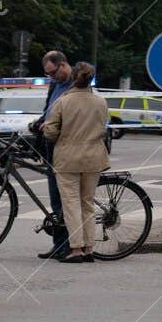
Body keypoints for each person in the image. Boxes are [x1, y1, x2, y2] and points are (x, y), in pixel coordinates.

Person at [39, 62, 109, 264]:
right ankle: (89, 249)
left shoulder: (63, 101)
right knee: (87, 203)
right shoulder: (100, 102)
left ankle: (76, 249)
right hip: (94, 157)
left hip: (68, 158)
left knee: (71, 204)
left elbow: (51, 132)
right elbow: (103, 128)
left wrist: (56, 133)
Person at [28, 51, 75, 260]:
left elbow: (77, 115)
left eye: (53, 72)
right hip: (50, 142)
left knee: (63, 197)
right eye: (48, 74)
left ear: (63, 65)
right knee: (55, 198)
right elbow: (50, 110)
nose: (52, 77)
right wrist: (39, 122)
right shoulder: (55, 85)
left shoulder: (78, 83)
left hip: (66, 145)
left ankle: (68, 245)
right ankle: (59, 244)